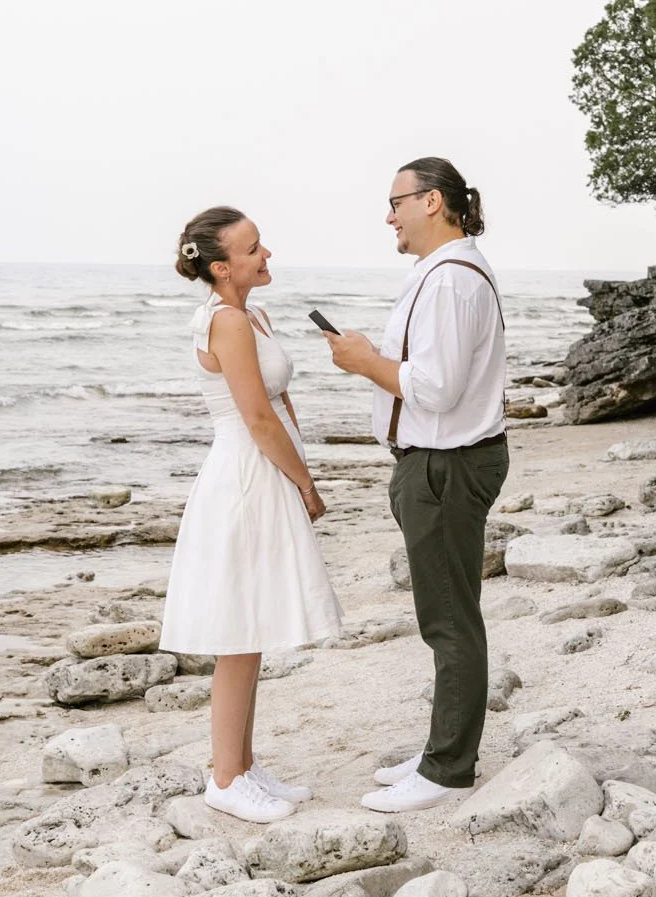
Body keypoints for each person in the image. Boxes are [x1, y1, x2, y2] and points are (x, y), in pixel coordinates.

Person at [325, 157, 508, 813]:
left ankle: (448, 767)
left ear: (433, 201)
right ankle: (442, 749)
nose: (389, 215)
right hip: (438, 463)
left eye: (396, 200)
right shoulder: (443, 275)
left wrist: (364, 362)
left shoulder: (452, 281)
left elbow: (437, 387)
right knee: (447, 614)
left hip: (447, 465)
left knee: (449, 620)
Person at [160, 206, 343, 823]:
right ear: (220, 267)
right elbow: (258, 420)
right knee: (238, 634)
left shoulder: (252, 314)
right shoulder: (225, 323)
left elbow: (279, 402)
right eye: (254, 249)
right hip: (243, 478)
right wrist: (307, 484)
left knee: (254, 626)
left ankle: (242, 765)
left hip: (263, 474)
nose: (267, 255)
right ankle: (223, 778)